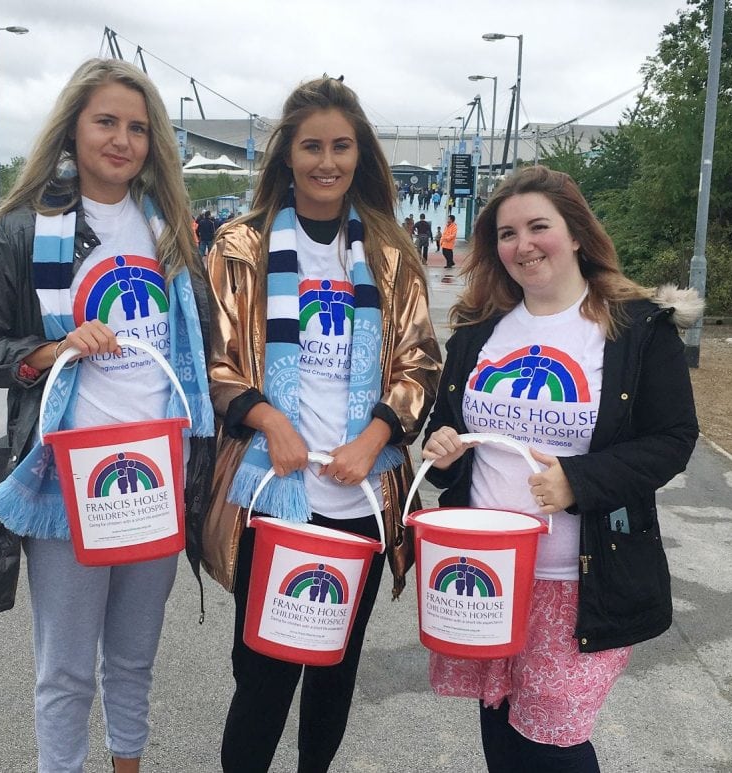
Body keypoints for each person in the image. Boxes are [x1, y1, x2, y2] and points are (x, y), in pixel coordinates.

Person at [0, 58, 214, 773]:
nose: (122, 140)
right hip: (69, 478)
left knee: (133, 657)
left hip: (157, 474)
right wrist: (49, 348)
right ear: (74, 126)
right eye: (106, 121)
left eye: (137, 127)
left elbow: (204, 349)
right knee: (65, 671)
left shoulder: (172, 235)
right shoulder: (27, 229)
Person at [420, 165, 702, 773]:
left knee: (550, 742)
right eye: (505, 233)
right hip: (486, 566)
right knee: (499, 725)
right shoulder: (478, 330)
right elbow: (448, 430)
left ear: (575, 233)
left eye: (538, 227)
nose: (522, 245)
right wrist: (442, 449)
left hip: (577, 579)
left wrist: (578, 480)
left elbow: (674, 439)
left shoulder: (635, 329)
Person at [203, 75, 441, 773]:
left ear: (360, 155)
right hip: (270, 498)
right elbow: (216, 362)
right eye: (312, 146)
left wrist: (375, 438)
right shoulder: (240, 246)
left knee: (334, 669)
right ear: (287, 156)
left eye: (341, 146)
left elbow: (422, 364)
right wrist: (269, 419)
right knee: (264, 675)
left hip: (362, 499)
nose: (327, 161)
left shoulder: (391, 254)